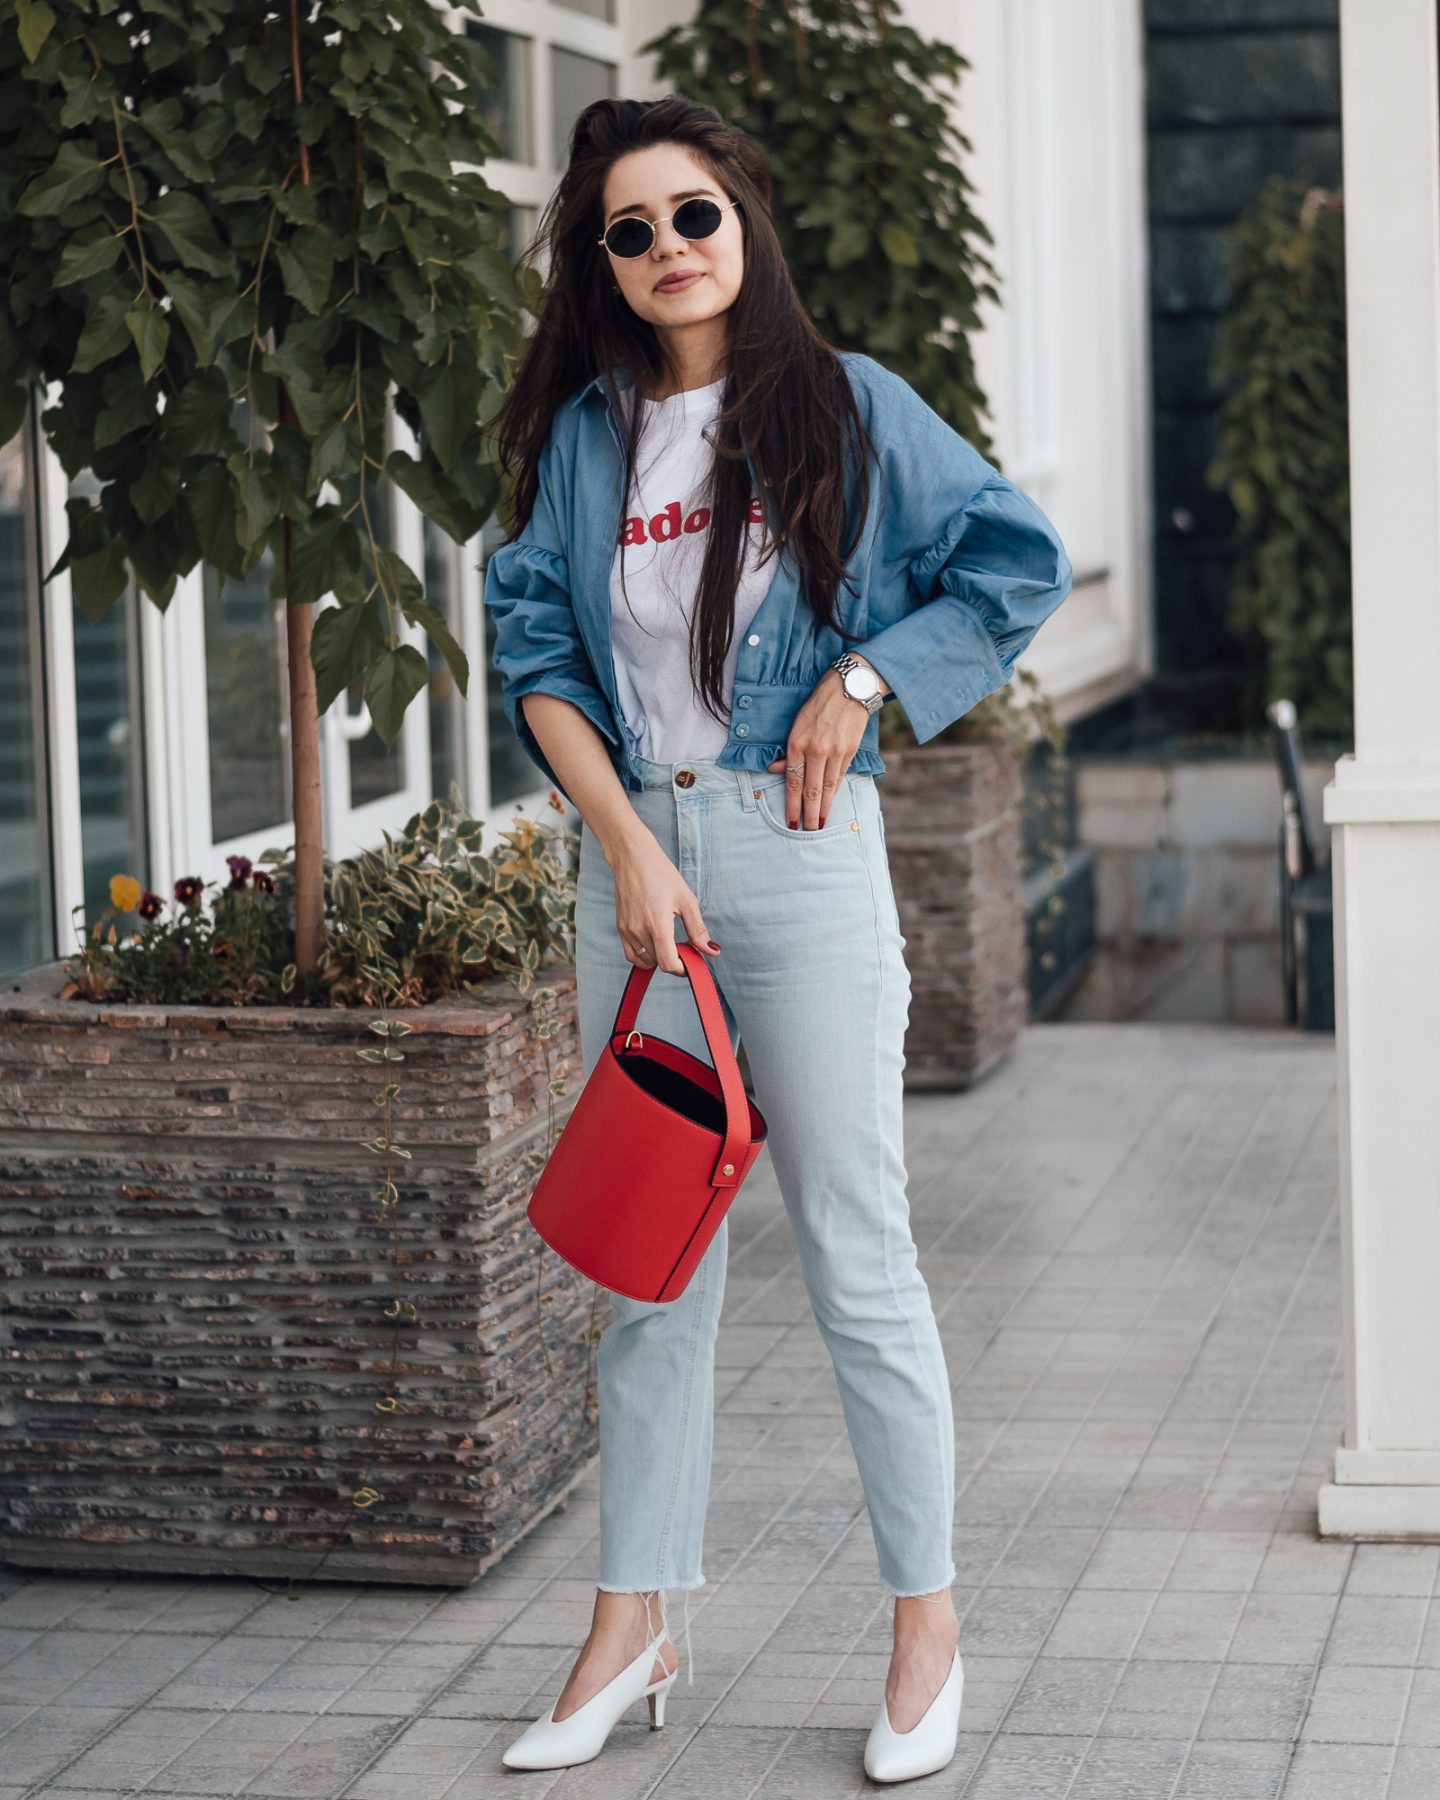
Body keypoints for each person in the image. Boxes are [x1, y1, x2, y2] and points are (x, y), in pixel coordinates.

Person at [482, 94, 1072, 1782]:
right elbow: (540, 659)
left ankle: (926, 1623)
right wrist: (629, 857)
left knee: (856, 1256)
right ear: (601, 261)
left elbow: (1012, 564)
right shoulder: (591, 437)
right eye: (630, 230)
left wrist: (865, 677)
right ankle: (634, 1620)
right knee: (645, 1268)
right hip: (635, 878)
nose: (668, 250)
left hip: (799, 862)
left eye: (693, 217)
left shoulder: (843, 406)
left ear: (744, 221)